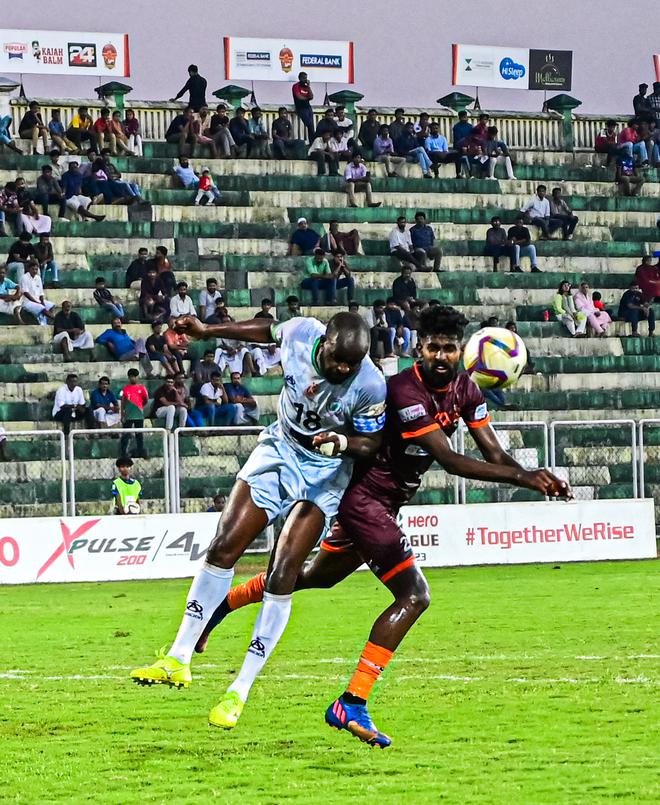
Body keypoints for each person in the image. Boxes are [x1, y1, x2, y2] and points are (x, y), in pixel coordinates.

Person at [200, 306, 571, 746]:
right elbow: (450, 461)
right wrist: (522, 477)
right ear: (419, 348)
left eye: (450, 348)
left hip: (384, 504)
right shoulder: (403, 392)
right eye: (433, 346)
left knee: (315, 577)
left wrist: (535, 476)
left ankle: (221, 605)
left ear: (462, 351)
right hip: (364, 501)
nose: (441, 355)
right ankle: (352, 702)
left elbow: (494, 454)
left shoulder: (467, 391)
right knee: (414, 595)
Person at [130, 311, 387, 734]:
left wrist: (342, 441)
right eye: (339, 359)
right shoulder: (302, 333)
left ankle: (239, 691)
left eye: (352, 363)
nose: (344, 369)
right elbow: (264, 331)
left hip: (327, 474)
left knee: (282, 573)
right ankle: (178, 658)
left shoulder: (370, 383)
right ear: (325, 343)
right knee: (223, 546)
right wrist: (208, 331)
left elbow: (372, 442)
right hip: (281, 449)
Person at [119, 368, 149, 458]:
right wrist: (123, 415)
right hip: (128, 415)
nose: (133, 379)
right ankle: (123, 452)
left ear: (137, 377)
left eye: (135, 377)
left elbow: (145, 400)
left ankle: (140, 452)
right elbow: (123, 402)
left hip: (139, 415)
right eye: (131, 377)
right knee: (126, 435)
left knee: (139, 435)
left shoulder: (142, 388)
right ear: (129, 377)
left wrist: (139, 407)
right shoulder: (125, 389)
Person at [19, 259, 55, 325]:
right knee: (42, 308)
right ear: (29, 269)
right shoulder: (24, 277)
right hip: (27, 302)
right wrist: (37, 302)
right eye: (33, 269)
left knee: (51, 305)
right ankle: (55, 319)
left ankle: (48, 321)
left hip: (37, 300)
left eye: (36, 269)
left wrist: (42, 302)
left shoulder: (38, 278)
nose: (35, 271)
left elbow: (41, 293)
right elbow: (26, 293)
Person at [292, 72, 315, 143]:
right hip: (300, 108)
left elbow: (311, 96)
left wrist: (308, 86)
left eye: (306, 78)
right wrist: (306, 98)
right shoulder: (296, 86)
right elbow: (299, 97)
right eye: (303, 78)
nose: (305, 80)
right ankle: (312, 141)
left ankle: (312, 141)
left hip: (308, 107)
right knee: (309, 124)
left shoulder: (306, 87)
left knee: (311, 125)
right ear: (300, 78)